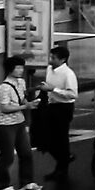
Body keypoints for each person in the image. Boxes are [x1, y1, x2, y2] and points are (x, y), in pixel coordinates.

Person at [35, 45, 79, 182]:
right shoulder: (49, 69)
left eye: (53, 58)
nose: (50, 60)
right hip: (51, 105)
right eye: (50, 57)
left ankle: (62, 168)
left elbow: (73, 94)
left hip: (64, 107)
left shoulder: (68, 74)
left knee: (61, 138)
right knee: (47, 137)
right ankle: (64, 158)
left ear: (63, 59)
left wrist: (53, 89)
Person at [0, 56, 37, 190]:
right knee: (7, 156)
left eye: (21, 67)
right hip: (5, 125)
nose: (21, 70)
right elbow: (4, 108)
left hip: (19, 123)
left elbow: (21, 98)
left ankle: (27, 182)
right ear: (10, 69)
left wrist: (29, 103)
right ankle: (2, 186)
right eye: (17, 68)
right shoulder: (4, 88)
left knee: (26, 153)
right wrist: (25, 107)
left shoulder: (21, 82)